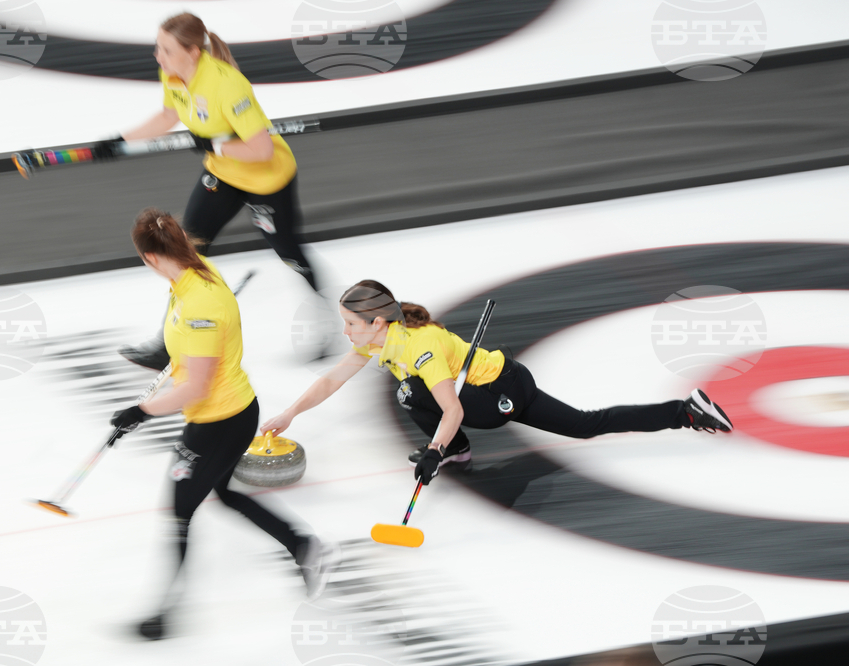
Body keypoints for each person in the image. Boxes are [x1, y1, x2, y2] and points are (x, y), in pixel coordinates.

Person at [261, 280, 734, 486]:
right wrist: (289, 413)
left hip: (501, 391)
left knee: (585, 426)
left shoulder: (417, 347)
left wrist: (432, 451)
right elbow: (331, 381)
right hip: (471, 393)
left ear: (379, 323)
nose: (346, 334)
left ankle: (683, 411)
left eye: (351, 325)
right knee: (410, 393)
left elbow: (453, 412)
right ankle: (459, 451)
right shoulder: (377, 342)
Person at [110, 208, 325, 640]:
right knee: (223, 494)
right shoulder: (188, 273)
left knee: (180, 511)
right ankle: (301, 545)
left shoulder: (199, 303)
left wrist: (140, 413)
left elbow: (197, 389)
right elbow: (188, 356)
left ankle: (164, 613)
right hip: (223, 414)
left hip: (220, 420)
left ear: (150, 258)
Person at [94, 12, 325, 369]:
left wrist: (214, 146)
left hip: (266, 179)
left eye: (167, 50)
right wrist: (119, 141)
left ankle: (326, 315)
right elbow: (168, 116)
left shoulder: (228, 85)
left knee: (289, 252)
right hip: (223, 175)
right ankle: (169, 344)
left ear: (193, 52)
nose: (158, 56)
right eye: (158, 47)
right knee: (185, 249)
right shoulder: (172, 74)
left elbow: (261, 150)